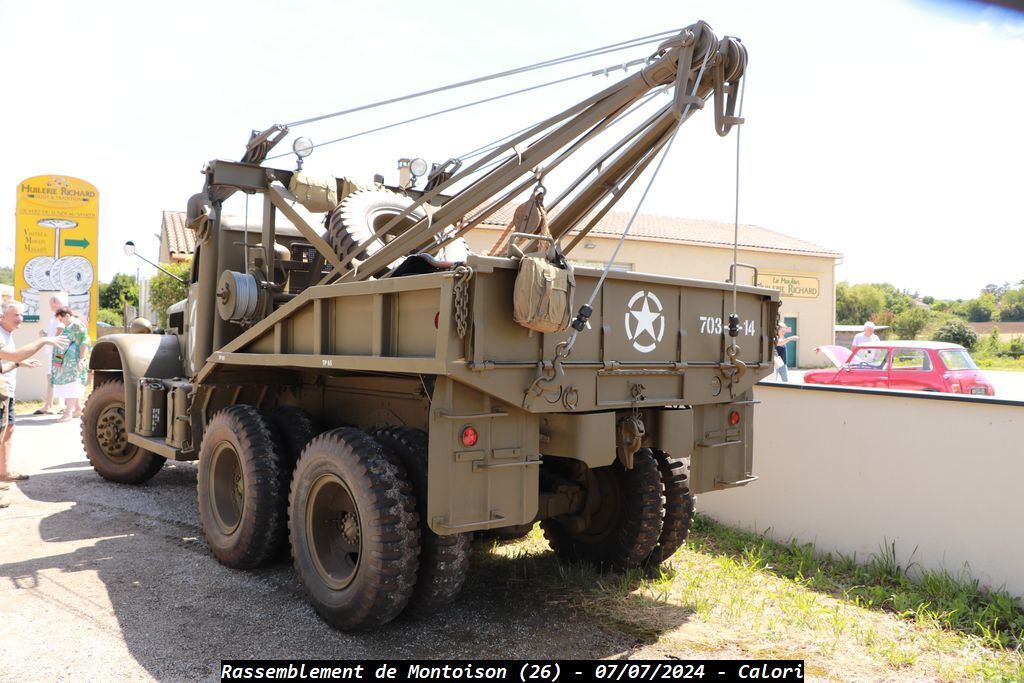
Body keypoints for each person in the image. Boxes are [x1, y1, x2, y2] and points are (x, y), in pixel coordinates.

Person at [0, 301, 70, 490]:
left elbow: (6, 364)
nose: (20, 318)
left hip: (6, 392)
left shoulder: (7, 334)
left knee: (8, 429)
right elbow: (13, 355)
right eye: (16, 315)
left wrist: (19, 364)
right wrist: (44, 340)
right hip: (2, 394)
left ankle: (4, 472)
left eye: (21, 314)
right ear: (2, 317)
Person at [50, 306, 91, 422]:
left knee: (72, 386)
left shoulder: (77, 325)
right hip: (65, 363)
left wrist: (82, 359)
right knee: (71, 386)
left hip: (73, 362)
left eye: (61, 319)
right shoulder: (68, 326)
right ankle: (78, 409)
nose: (60, 322)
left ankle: (68, 413)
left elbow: (84, 341)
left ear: (67, 315)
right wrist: (58, 362)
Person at [35, 293, 67, 415]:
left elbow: (59, 335)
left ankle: (51, 406)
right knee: (53, 377)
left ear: (55, 303)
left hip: (57, 353)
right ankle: (51, 405)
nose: (49, 305)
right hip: (54, 353)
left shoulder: (59, 317)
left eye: (50, 303)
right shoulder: (55, 317)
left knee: (54, 377)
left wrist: (46, 337)